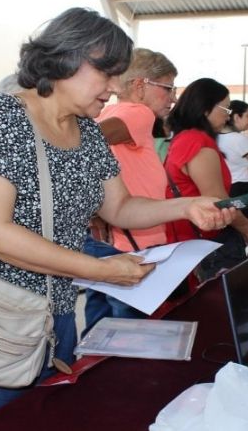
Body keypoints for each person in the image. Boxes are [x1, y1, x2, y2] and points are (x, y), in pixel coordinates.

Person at [0, 8, 234, 431]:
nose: (114, 88)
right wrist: (100, 269)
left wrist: (186, 206)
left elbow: (119, 208)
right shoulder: (0, 115)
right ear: (64, 58)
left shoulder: (88, 131)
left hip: (53, 317)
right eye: (106, 73)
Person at [79, 48, 179, 332]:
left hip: (107, 242)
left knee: (99, 328)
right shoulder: (139, 113)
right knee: (131, 331)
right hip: (135, 246)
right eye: (168, 88)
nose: (172, 98)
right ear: (139, 86)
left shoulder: (105, 111)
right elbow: (96, 137)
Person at [164, 78, 248, 278]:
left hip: (192, 239)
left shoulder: (184, 138)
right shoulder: (197, 142)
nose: (227, 117)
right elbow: (218, 202)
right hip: (207, 241)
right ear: (205, 108)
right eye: (225, 109)